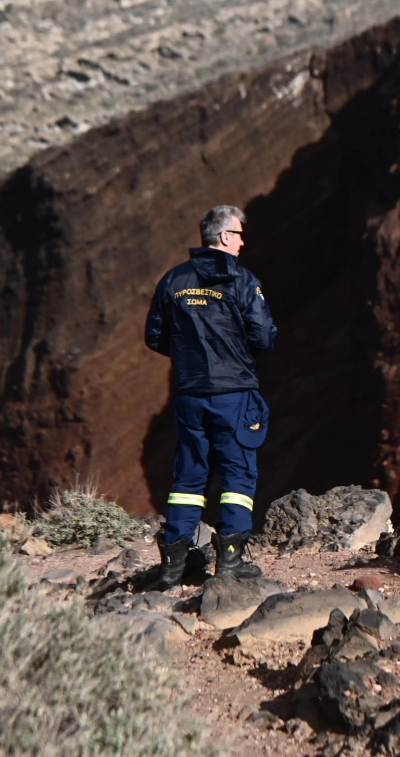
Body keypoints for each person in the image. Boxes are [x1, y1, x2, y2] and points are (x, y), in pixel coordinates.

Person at [145, 204, 277, 588]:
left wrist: (189, 357)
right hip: (233, 394)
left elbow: (154, 336)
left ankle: (173, 564)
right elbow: (264, 337)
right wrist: (230, 354)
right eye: (238, 235)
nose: (242, 243)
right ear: (224, 236)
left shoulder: (174, 280)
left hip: (190, 394)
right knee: (238, 473)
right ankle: (230, 561)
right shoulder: (242, 280)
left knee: (189, 475)